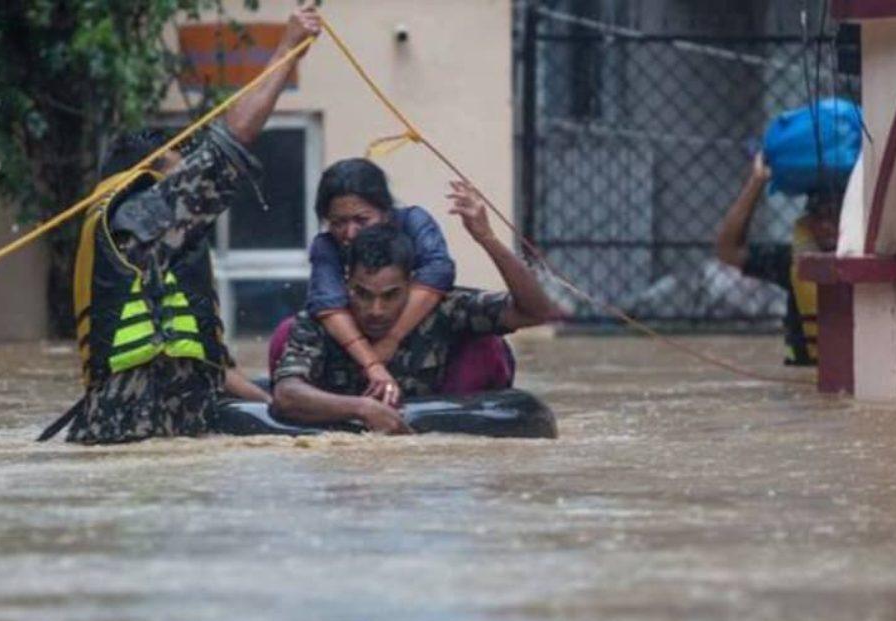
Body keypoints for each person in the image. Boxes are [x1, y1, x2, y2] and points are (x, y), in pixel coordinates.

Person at [41, 3, 321, 444]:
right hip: (135, 438)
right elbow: (230, 145)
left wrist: (276, 408)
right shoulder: (137, 220)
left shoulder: (142, 239)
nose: (186, 183)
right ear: (150, 175)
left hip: (163, 433)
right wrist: (286, 50)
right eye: (178, 174)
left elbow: (209, 367)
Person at [271, 181, 560, 434]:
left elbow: (535, 312)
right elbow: (287, 394)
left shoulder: (443, 309)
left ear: (410, 285)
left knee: (487, 344)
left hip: (442, 427)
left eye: (390, 296)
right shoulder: (321, 322)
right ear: (347, 284)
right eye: (363, 295)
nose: (376, 310)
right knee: (285, 331)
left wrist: (488, 239)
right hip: (347, 424)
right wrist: (361, 408)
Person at [267, 158, 515, 406]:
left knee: (484, 340)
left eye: (362, 220)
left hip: (420, 325)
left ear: (386, 214)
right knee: (286, 332)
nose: (350, 234)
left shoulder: (414, 224)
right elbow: (327, 303)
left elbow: (438, 274)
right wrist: (371, 363)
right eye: (338, 223)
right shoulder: (326, 246)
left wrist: (391, 340)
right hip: (358, 344)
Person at [714, 152, 840, 366]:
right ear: (808, 221)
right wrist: (756, 183)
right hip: (801, 374)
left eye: (835, 216)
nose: (827, 226)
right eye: (819, 216)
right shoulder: (791, 262)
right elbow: (728, 250)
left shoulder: (872, 264)